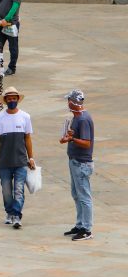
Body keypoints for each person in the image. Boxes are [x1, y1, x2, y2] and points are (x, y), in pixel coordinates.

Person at [0, 86, 35, 229]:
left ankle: (17, 215)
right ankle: (9, 212)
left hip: (20, 161)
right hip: (4, 162)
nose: (12, 100)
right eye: (9, 98)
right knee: (6, 191)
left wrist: (31, 158)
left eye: (14, 98)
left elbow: (28, 138)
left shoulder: (25, 117)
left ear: (18, 99)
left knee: (19, 190)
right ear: (5, 100)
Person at [60, 89, 94, 241]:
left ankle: (86, 229)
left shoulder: (83, 119)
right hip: (74, 161)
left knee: (84, 196)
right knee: (76, 194)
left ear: (73, 102)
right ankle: (80, 224)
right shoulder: (76, 117)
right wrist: (70, 136)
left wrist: (72, 140)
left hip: (81, 163)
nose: (68, 103)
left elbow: (87, 143)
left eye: (69, 101)